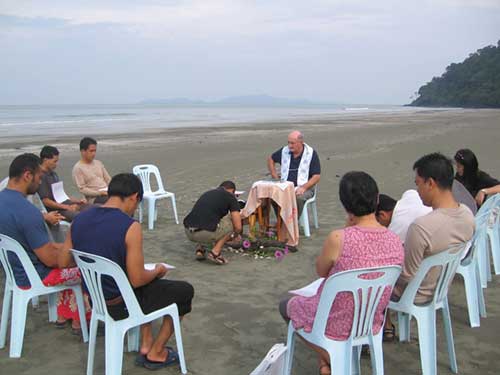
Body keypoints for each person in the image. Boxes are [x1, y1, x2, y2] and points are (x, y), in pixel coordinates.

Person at [59, 173, 194, 370]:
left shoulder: (79, 220)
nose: (135, 209)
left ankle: (146, 342)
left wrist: (92, 258)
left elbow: (63, 261)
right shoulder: (130, 226)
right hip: (121, 304)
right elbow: (138, 279)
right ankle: (156, 352)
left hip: (96, 300)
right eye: (137, 204)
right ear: (133, 197)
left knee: (145, 283)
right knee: (184, 291)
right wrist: (157, 271)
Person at [278, 171, 404, 375]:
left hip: (335, 320)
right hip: (370, 320)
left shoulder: (339, 238)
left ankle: (331, 359)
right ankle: (326, 363)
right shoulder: (394, 240)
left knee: (287, 305)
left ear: (346, 206)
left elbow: (321, 271)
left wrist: (347, 226)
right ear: (377, 198)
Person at [385, 153, 475, 338]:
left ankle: (379, 330)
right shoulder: (467, 215)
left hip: (417, 293)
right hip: (440, 288)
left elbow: (406, 276)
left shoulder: (421, 227)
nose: (417, 190)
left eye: (418, 183)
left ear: (430, 183)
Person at [0, 153, 90, 333]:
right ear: (27, 175)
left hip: (13, 272)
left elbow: (36, 246)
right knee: (86, 270)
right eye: (39, 178)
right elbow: (51, 260)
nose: (40, 183)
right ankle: (81, 320)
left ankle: (63, 315)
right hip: (35, 276)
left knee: (69, 257)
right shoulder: (27, 211)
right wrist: (80, 256)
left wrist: (67, 249)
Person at [183, 181, 242, 265]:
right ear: (233, 192)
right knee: (230, 220)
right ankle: (215, 253)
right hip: (205, 233)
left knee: (205, 217)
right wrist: (234, 236)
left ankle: (200, 250)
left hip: (188, 231)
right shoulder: (231, 197)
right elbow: (238, 226)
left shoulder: (207, 193)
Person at [267, 130, 321, 217]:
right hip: (285, 185)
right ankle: (281, 220)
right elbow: (270, 159)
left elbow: (317, 176)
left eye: (292, 143)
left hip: (306, 187)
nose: (289, 146)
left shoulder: (311, 154)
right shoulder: (284, 151)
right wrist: (274, 175)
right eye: (288, 143)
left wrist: (304, 187)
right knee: (272, 196)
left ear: (301, 142)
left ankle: (292, 222)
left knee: (298, 198)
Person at [38, 145, 90, 221]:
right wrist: (66, 207)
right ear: (45, 160)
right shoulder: (41, 176)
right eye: (54, 161)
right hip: (55, 209)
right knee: (81, 217)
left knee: (92, 208)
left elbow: (61, 195)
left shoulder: (53, 174)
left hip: (63, 204)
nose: (56, 164)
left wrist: (76, 201)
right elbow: (45, 201)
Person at [72, 137, 111, 204]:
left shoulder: (98, 163)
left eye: (95, 151)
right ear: (83, 151)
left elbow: (108, 179)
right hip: (93, 197)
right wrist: (99, 193)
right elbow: (82, 189)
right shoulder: (78, 168)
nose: (93, 153)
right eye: (91, 151)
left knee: (126, 197)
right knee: (112, 201)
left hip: (106, 191)